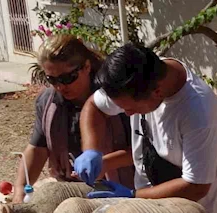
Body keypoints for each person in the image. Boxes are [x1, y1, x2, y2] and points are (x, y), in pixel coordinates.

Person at [73, 44, 217, 213]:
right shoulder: (137, 76)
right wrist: (91, 150)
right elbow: (93, 106)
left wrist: (132, 195)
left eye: (131, 109)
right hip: (146, 208)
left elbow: (197, 186)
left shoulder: (199, 112)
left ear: (157, 92)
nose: (127, 114)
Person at [13, 35, 134, 203]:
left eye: (67, 78)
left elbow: (140, 151)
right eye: (52, 79)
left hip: (120, 189)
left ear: (86, 66)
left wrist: (103, 163)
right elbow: (37, 149)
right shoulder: (48, 102)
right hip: (73, 189)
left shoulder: (116, 97)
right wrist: (20, 189)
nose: (60, 86)